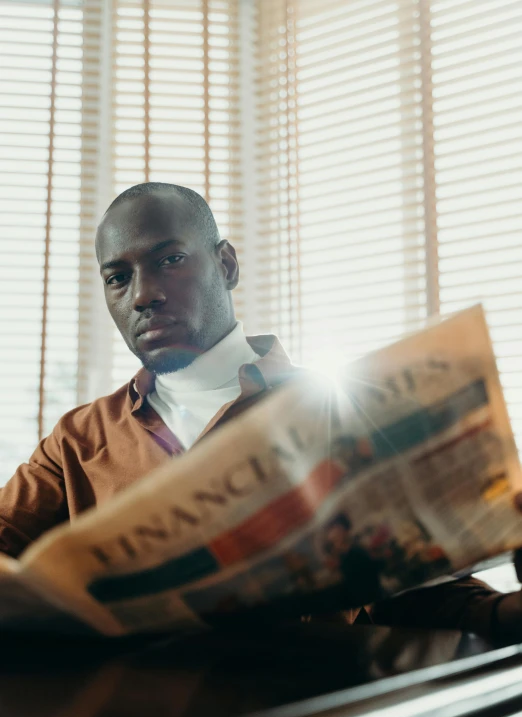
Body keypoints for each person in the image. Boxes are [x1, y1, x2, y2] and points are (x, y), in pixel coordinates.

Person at [1, 181, 522, 642]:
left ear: (226, 265)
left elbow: (416, 588)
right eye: (118, 277)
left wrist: (503, 612)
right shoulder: (77, 439)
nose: (143, 295)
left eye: (169, 260)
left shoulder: (343, 409)